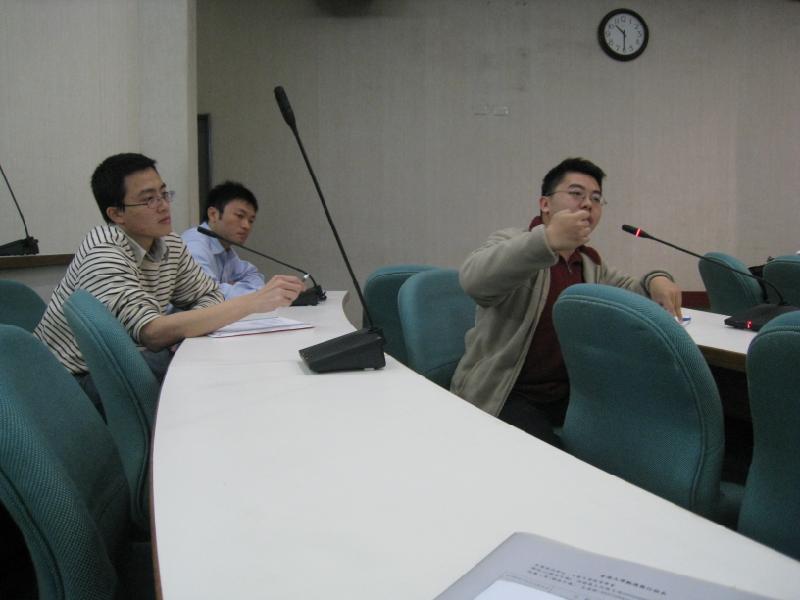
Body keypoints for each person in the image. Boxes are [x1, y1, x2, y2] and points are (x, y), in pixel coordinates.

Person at [34, 153, 303, 411]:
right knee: (200, 372)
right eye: (148, 200)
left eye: (164, 194)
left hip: (129, 357)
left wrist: (182, 329)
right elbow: (152, 332)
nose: (163, 205)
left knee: (207, 361)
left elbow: (209, 295)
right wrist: (252, 303)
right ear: (117, 214)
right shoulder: (103, 251)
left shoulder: (169, 242)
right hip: (73, 381)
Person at [450, 157, 682, 446]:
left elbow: (630, 290)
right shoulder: (514, 242)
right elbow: (473, 281)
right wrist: (547, 240)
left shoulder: (588, 263)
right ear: (545, 204)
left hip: (569, 392)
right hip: (506, 392)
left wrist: (657, 279)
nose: (587, 204)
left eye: (596, 198)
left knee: (637, 432)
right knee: (554, 461)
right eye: (576, 193)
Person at [182, 181, 265, 299]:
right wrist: (232, 288)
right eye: (240, 216)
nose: (246, 226)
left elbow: (255, 276)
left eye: (251, 221)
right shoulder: (194, 245)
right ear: (213, 214)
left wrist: (229, 288)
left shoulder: (224, 249)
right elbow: (209, 296)